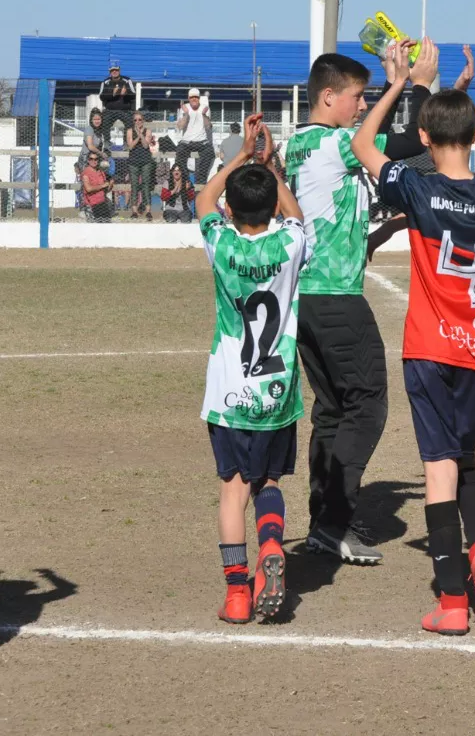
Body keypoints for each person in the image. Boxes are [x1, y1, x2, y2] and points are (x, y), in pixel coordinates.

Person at [353, 38, 475, 635]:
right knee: (464, 455)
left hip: (430, 348)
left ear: (423, 138)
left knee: (439, 468)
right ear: (472, 136)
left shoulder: (417, 188)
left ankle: (452, 601)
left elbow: (361, 143)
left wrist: (399, 84)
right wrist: (465, 102)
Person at [283, 45, 431, 565]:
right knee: (367, 407)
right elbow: (416, 145)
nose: (363, 106)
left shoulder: (298, 143)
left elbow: (329, 212)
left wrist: (384, 228)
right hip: (336, 298)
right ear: (329, 97)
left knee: (331, 412)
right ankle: (333, 522)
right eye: (357, 96)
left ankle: (323, 516)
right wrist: (414, 86)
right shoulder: (338, 142)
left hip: (306, 297)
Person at [198, 114, 308, 625]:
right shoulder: (289, 244)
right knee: (268, 483)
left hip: (229, 393)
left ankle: (238, 593)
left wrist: (241, 155)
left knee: (231, 489)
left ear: (231, 209)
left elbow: (202, 202)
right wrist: (272, 169)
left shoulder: (221, 244)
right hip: (278, 392)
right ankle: (272, 546)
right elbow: (297, 217)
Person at [175, 88, 214, 180]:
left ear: (199, 98)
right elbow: (180, 126)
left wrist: (204, 115)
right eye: (192, 97)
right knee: (180, 152)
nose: (194, 99)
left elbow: (208, 127)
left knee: (209, 152)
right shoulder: (185, 108)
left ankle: (201, 178)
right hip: (186, 141)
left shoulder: (205, 108)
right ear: (188, 98)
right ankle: (184, 178)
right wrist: (186, 114)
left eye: (196, 97)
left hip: (201, 141)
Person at [126, 111, 157, 221]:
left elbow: (145, 145)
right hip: (133, 161)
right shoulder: (129, 131)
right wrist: (138, 135)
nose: (137, 122)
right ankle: (134, 210)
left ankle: (148, 210)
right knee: (134, 186)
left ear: (143, 121)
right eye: (135, 120)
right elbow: (130, 146)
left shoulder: (148, 131)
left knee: (146, 186)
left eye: (140, 119)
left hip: (145, 161)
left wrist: (140, 134)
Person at [99, 62, 135, 137]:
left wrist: (125, 94)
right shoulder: (105, 82)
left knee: (129, 126)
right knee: (105, 125)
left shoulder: (127, 80)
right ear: (110, 72)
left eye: (116, 70)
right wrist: (112, 94)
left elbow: (133, 95)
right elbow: (101, 97)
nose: (114, 72)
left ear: (119, 70)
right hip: (110, 110)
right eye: (112, 70)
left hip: (125, 110)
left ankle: (127, 143)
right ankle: (106, 144)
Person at [81, 152, 115, 222]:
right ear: (88, 160)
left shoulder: (101, 172)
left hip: (102, 203)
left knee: (107, 225)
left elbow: (105, 191)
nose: (93, 161)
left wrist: (110, 185)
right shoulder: (86, 172)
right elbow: (88, 189)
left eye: (96, 159)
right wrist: (103, 185)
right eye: (91, 159)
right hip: (92, 205)